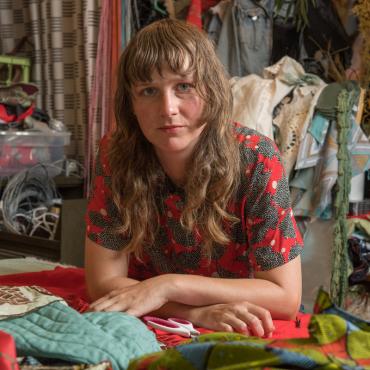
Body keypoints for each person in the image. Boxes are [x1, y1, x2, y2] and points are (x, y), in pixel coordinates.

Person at [85, 18, 304, 338]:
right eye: (148, 91)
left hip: (222, 317)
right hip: (152, 320)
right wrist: (197, 313)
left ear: (212, 89)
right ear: (130, 105)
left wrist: (168, 285)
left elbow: (286, 297)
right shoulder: (115, 155)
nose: (168, 108)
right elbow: (101, 282)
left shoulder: (256, 158)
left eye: (184, 87)